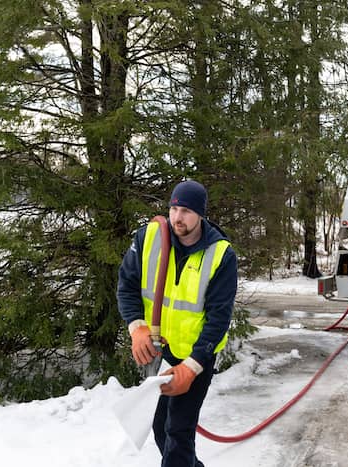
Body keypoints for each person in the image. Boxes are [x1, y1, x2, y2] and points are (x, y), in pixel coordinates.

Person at [117, 180, 238, 467]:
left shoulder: (221, 255)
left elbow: (218, 318)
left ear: (200, 215)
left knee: (178, 430)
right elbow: (127, 285)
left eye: (185, 211)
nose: (177, 217)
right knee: (160, 428)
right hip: (163, 353)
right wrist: (137, 328)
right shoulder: (150, 238)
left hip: (197, 356)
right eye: (173, 208)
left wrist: (193, 366)